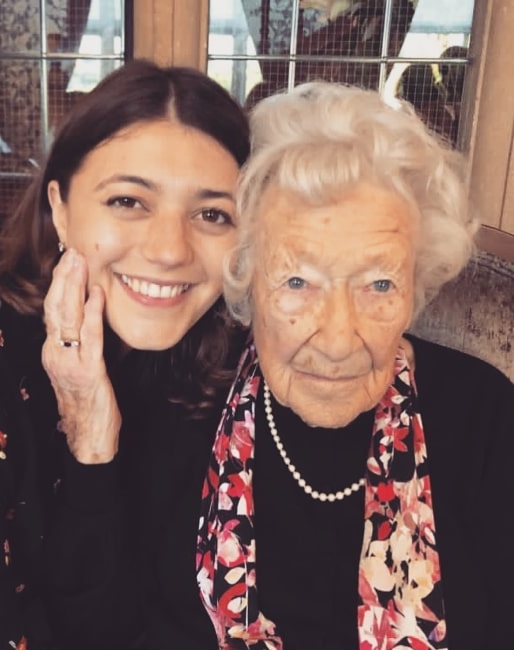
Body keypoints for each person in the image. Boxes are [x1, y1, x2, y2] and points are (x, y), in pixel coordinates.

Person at [0, 59, 249, 649]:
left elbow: (123, 629)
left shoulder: (209, 363)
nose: (171, 250)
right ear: (62, 210)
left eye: (212, 214)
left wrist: (95, 450)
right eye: (129, 201)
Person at [194, 81, 514, 649]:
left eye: (379, 283)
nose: (339, 339)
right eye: (297, 281)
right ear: (244, 277)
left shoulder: (486, 417)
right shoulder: (189, 401)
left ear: (416, 287)